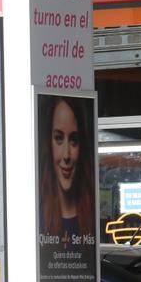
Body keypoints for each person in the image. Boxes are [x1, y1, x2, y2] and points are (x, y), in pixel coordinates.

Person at [38, 95, 95, 240]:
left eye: (74, 140)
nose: (66, 155)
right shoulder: (38, 218)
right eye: (59, 138)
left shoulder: (92, 217)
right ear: (49, 144)